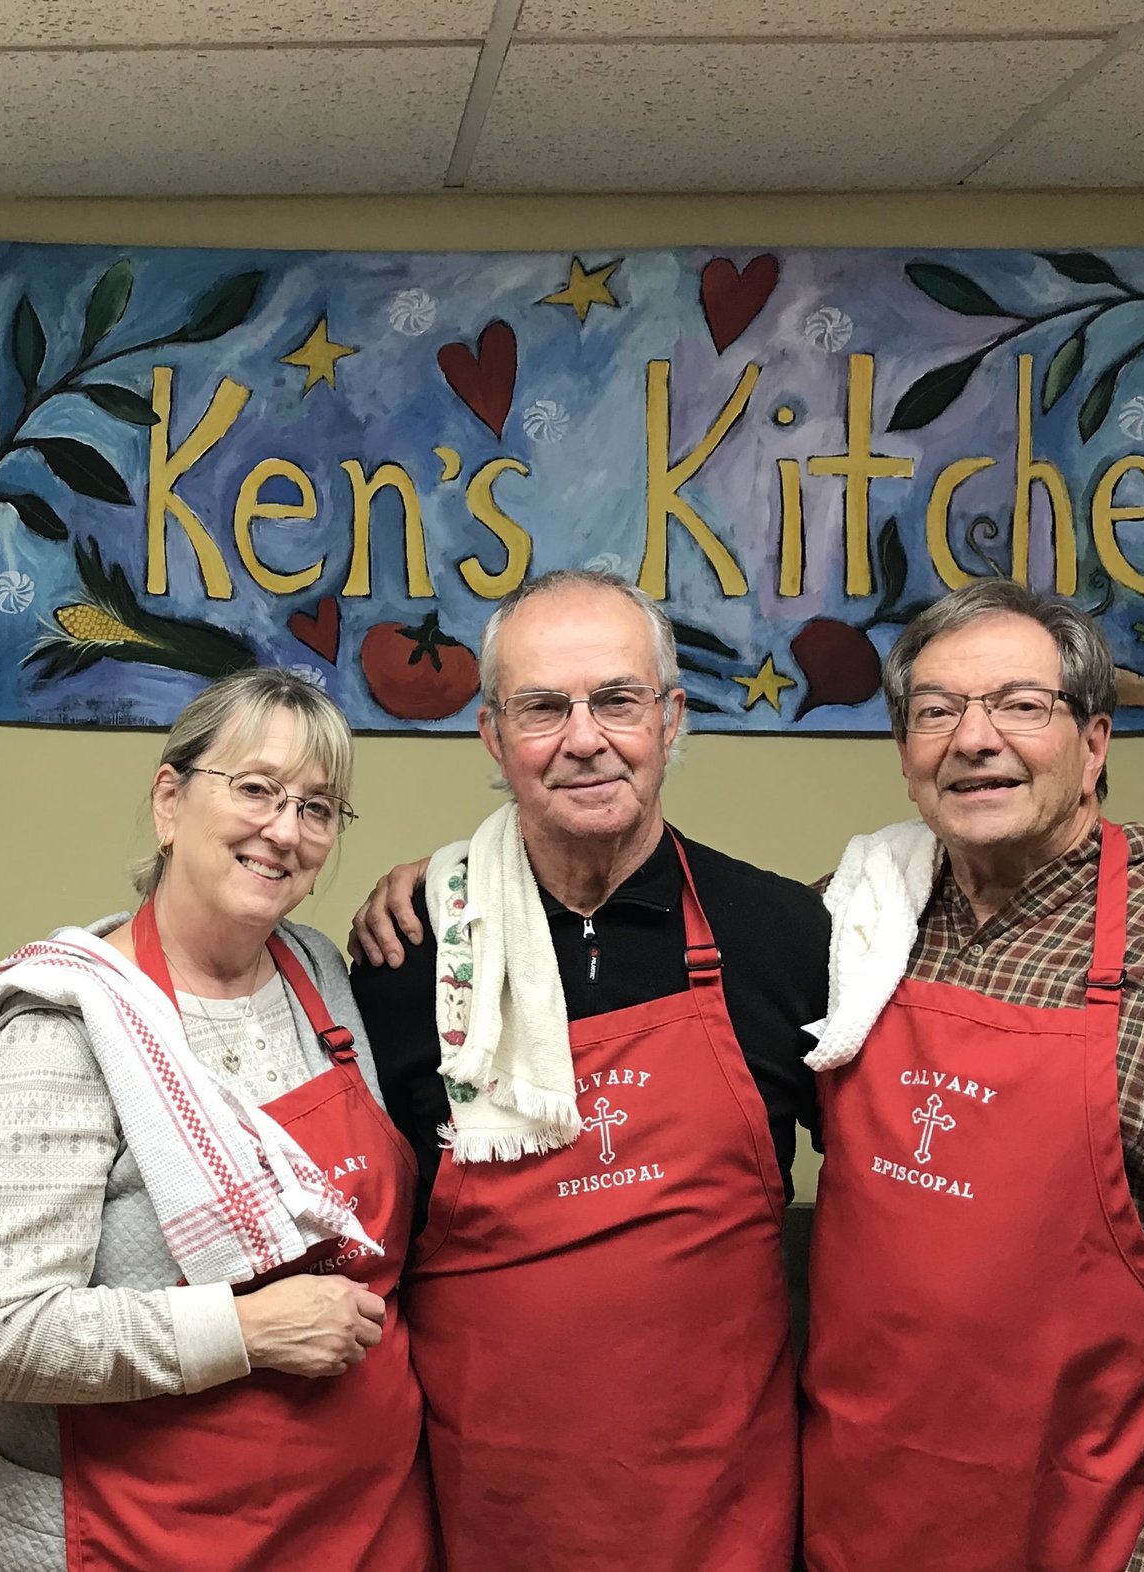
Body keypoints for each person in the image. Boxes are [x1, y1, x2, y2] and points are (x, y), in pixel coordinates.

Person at [797, 577, 1144, 1572]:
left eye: (1020, 705)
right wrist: (455, 888)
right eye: (935, 711)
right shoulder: (851, 923)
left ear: (1093, 742)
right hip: (853, 1518)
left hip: (1094, 1533)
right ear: (905, 754)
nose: (973, 738)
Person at [348, 568, 827, 1572]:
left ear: (670, 716)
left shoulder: (782, 935)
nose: (582, 739)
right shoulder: (414, 952)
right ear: (491, 735)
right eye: (541, 708)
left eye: (615, 700)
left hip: (724, 1515)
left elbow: (889, 1219)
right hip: (492, 1510)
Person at [0, 667, 435, 1572]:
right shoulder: (61, 1028)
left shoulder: (317, 973)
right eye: (258, 790)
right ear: (169, 799)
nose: (285, 830)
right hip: (146, 1532)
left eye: (317, 808)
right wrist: (247, 1331)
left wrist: (450, 875)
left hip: (362, 1524)